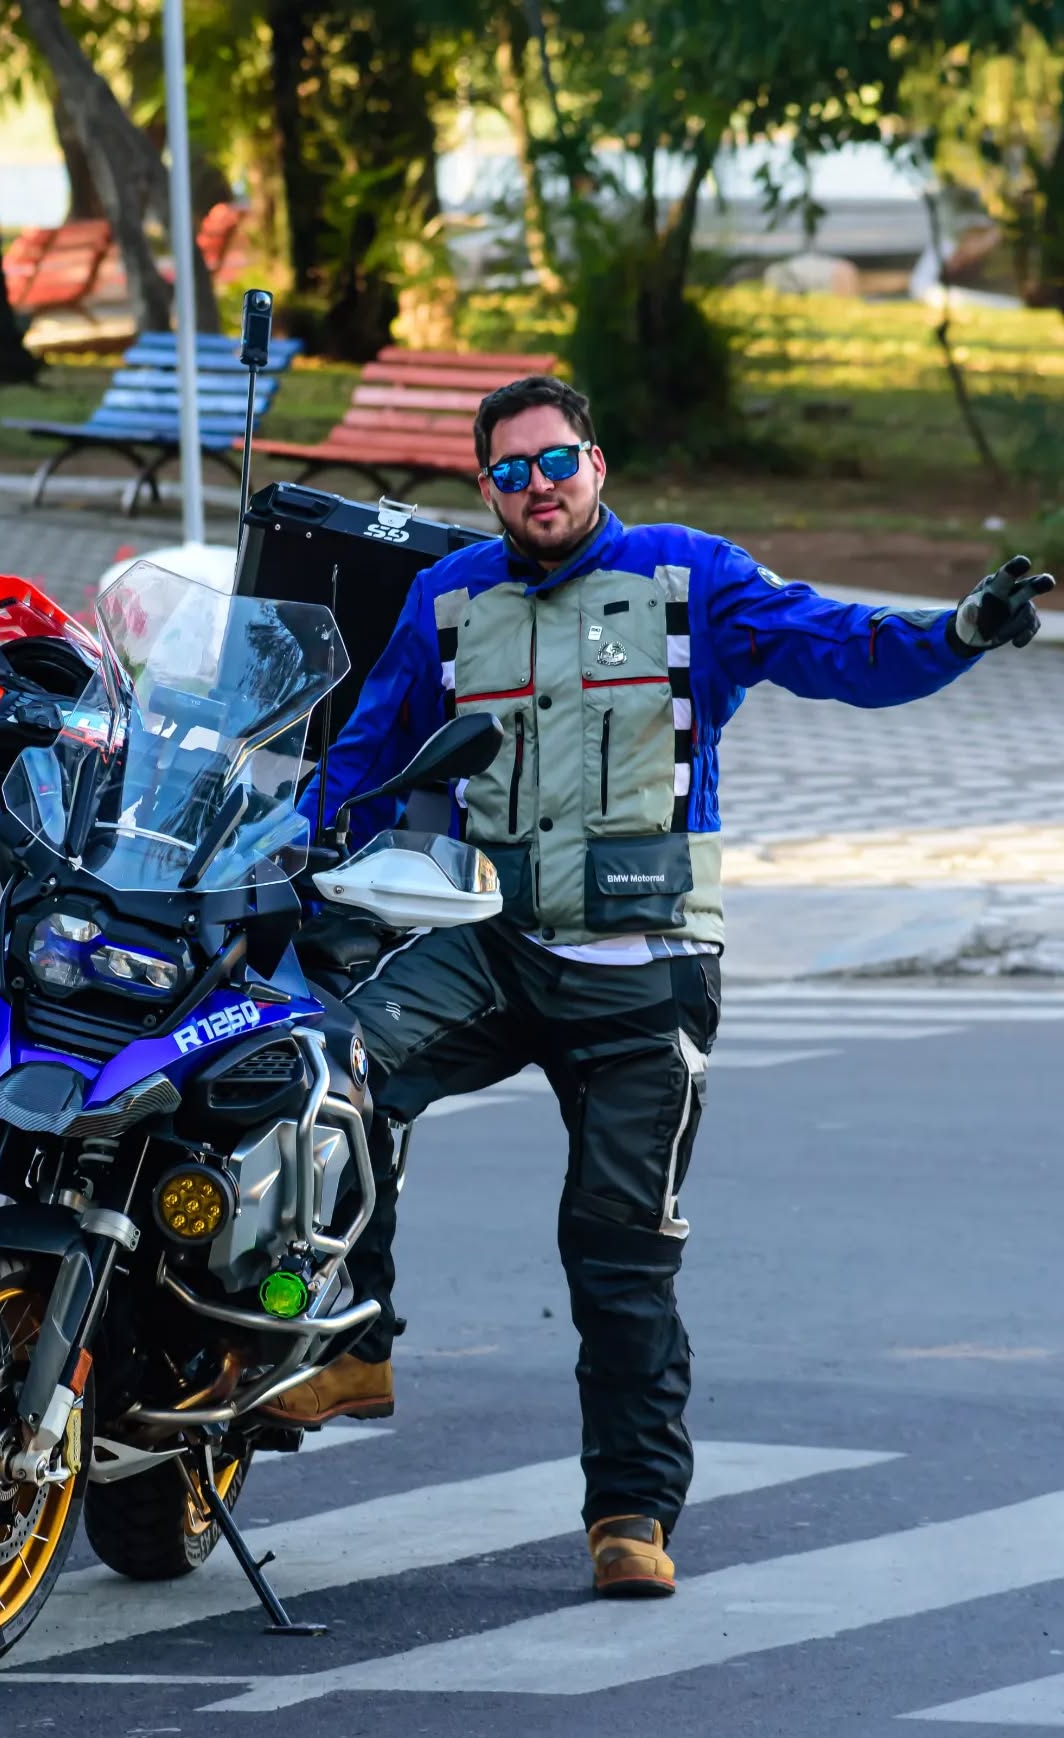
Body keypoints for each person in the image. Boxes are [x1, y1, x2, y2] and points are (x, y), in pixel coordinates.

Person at [262, 374, 1054, 1600]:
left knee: (618, 1252)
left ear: (597, 460)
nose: (539, 486)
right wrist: (286, 871)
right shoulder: (448, 597)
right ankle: (357, 1341)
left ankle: (629, 1512)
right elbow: (362, 761)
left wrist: (956, 635)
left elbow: (839, 648)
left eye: (556, 459)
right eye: (511, 471)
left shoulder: (692, 577)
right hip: (491, 941)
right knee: (331, 1076)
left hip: (647, 966)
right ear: (485, 490)